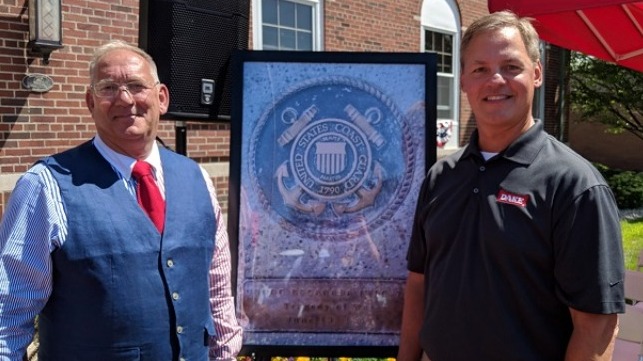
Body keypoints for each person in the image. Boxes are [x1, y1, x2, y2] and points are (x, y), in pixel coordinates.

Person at [397, 11, 625, 361]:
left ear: (536, 74)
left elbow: (596, 325)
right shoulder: (441, 177)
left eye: (511, 66)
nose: (495, 81)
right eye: (480, 69)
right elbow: (419, 284)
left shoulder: (574, 186)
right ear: (464, 81)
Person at [0, 40, 242, 360]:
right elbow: (7, 313)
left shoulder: (198, 179)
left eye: (136, 86)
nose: (125, 98)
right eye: (109, 87)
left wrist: (225, 353)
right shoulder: (45, 186)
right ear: (90, 102)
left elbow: (218, 294)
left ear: (162, 98)